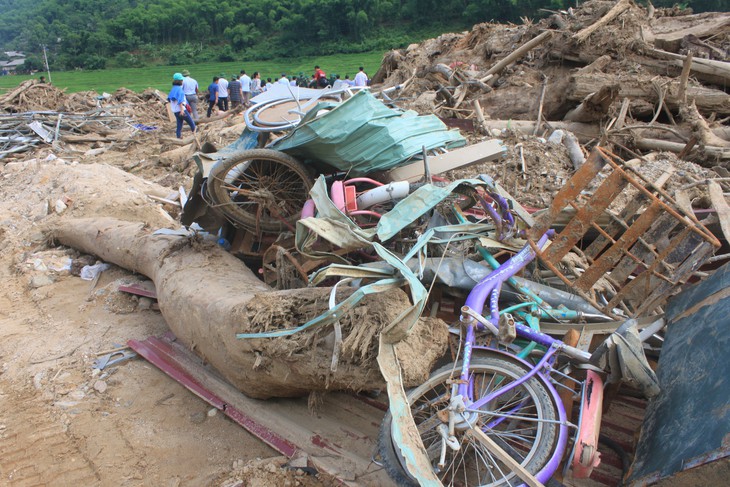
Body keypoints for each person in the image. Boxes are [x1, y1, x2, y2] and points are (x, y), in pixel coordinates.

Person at [168, 72, 196, 139]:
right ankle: (195, 137)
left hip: (175, 111)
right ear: (180, 81)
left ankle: (178, 137)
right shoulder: (179, 89)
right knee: (192, 124)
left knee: (179, 125)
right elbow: (180, 100)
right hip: (181, 110)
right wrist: (182, 110)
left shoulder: (173, 89)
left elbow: (169, 99)